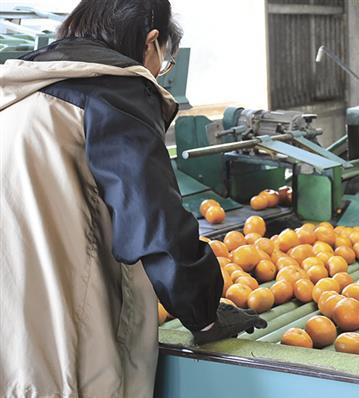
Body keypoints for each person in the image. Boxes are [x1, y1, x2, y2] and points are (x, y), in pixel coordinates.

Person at [0, 1, 264, 397]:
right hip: (66, 344)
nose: (160, 73)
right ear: (151, 41)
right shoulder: (114, 91)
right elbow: (156, 225)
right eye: (165, 64)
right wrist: (204, 316)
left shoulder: (20, 93)